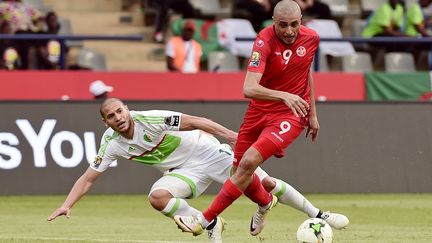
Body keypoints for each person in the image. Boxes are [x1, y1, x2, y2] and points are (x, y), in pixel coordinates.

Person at [48, 98, 346, 243]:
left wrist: (231, 137)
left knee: (265, 185)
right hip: (183, 170)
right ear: (106, 123)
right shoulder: (111, 143)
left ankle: (317, 215)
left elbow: (198, 121)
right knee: (158, 197)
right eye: (111, 116)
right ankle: (211, 223)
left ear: (127, 109)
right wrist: (66, 204)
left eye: (120, 111)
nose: (118, 118)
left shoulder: (153, 118)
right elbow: (88, 178)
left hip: (207, 151)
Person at [174, 0, 349, 237]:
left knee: (248, 164)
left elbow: (306, 71)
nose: (289, 31)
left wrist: (313, 114)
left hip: (291, 114)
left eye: (294, 24)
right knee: (237, 172)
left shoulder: (312, 38)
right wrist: (284, 95)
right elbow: (249, 88)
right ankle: (266, 203)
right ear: (274, 22)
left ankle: (204, 220)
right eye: (283, 25)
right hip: (259, 111)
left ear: (301, 22)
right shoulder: (263, 41)